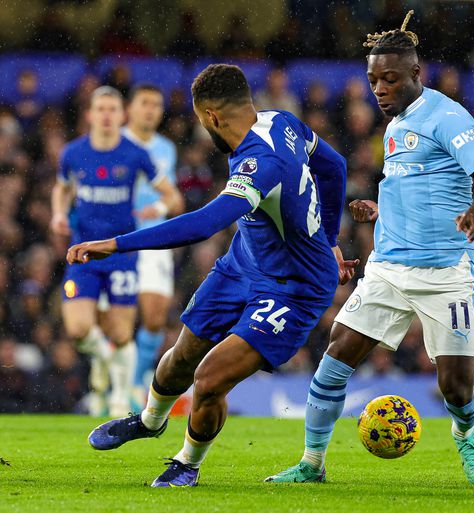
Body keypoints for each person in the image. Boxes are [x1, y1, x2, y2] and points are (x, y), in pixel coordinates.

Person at [67, 64, 353, 487]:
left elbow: (204, 224)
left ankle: (187, 463)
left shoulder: (261, 163)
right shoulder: (281, 121)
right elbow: (335, 167)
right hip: (245, 262)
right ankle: (149, 420)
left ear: (211, 117)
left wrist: (117, 243)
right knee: (183, 354)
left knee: (209, 378)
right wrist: (330, 238)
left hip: (295, 287)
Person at [267, 11, 474, 485]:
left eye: (390, 79)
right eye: (373, 80)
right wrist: (380, 211)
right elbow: (419, 187)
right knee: (336, 356)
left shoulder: (446, 116)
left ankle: (465, 433)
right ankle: (312, 464)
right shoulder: (395, 125)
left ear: (417, 73)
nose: (379, 88)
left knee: (457, 388)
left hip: (446, 271)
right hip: (390, 267)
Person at [51, 86, 179, 417]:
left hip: (122, 253)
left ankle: (120, 397)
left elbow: (171, 195)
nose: (106, 115)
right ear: (90, 115)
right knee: (78, 329)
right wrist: (58, 213)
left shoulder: (136, 154)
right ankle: (104, 359)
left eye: (112, 109)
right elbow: (61, 188)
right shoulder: (73, 153)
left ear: (122, 115)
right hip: (83, 253)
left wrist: (159, 207)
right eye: (101, 109)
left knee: (121, 333)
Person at [122, 84, 184, 409]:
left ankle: (133, 388)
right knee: (115, 322)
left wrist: (158, 208)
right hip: (118, 238)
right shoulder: (114, 143)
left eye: (156, 104)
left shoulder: (166, 149)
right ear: (130, 108)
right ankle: (114, 386)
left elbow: (175, 200)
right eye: (144, 103)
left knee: (155, 317)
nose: (150, 110)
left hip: (154, 238)